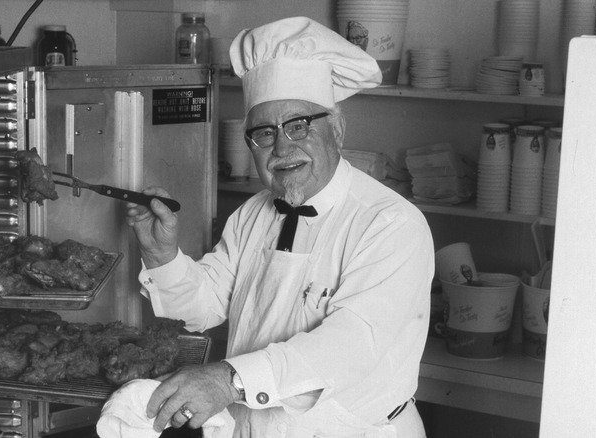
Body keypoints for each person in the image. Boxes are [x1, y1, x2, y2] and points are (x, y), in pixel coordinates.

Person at [125, 16, 434, 438]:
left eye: (299, 126)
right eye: (264, 133)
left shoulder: (389, 223)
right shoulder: (254, 212)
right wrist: (161, 254)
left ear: (338, 130)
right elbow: (203, 307)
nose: (283, 147)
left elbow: (351, 346)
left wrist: (226, 380)